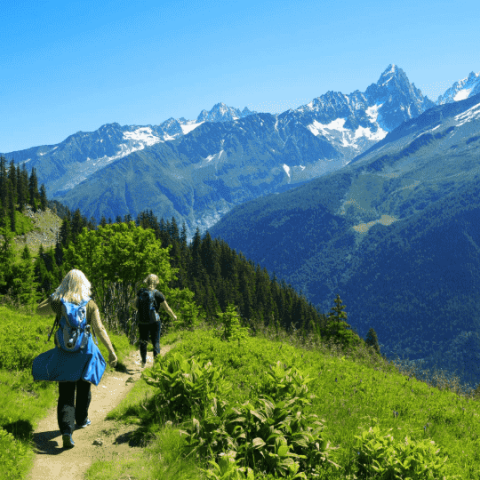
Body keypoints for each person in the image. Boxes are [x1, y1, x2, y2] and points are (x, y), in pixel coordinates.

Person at [36, 269, 118, 449]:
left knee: (65, 394)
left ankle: (66, 431)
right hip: (85, 352)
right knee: (83, 386)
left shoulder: (59, 302)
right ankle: (81, 419)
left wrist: (54, 296)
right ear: (84, 284)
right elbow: (100, 329)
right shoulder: (90, 304)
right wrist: (111, 351)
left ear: (64, 283)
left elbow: (38, 310)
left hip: (64, 353)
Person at [136, 274, 177, 368]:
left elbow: (134, 304)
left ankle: (143, 362)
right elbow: (167, 308)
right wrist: (173, 316)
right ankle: (156, 365)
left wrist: (141, 311)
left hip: (142, 321)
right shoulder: (158, 294)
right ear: (156, 282)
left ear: (147, 281)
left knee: (143, 341)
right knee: (156, 342)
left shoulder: (141, 292)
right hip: (155, 321)